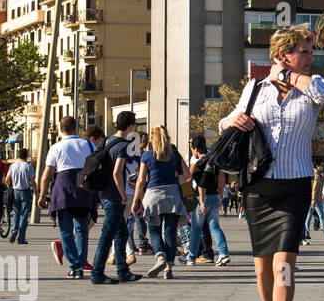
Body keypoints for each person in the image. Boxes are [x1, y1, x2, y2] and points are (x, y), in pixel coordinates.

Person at [220, 26, 324, 301]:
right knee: (262, 270)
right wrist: (233, 119)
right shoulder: (255, 89)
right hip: (258, 187)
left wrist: (287, 74)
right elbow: (226, 123)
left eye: (311, 51)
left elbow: (321, 96)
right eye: (304, 51)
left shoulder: (314, 85)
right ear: (283, 53)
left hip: (295, 185)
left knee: (284, 265)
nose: (311, 56)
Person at [38, 117, 97, 279]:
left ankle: (75, 266)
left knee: (65, 230)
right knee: (82, 229)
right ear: (76, 127)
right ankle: (81, 261)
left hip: (63, 190)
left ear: (60, 128)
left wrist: (42, 196)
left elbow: (46, 176)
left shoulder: (56, 147)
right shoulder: (88, 144)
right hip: (83, 189)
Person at [131, 126, 190, 280]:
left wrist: (136, 199)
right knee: (170, 232)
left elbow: (141, 180)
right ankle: (169, 268)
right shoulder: (175, 155)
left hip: (153, 195)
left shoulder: (147, 156)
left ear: (152, 139)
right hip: (173, 196)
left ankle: (160, 258)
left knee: (155, 230)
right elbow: (188, 175)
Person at [90, 113, 142, 284]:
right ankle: (97, 273)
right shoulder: (123, 146)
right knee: (108, 235)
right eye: (134, 125)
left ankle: (123, 271)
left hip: (104, 192)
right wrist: (122, 195)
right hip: (114, 196)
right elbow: (116, 172)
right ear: (129, 127)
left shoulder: (107, 141)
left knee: (121, 232)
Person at [187, 135, 231, 267]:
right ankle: (223, 254)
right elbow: (222, 176)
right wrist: (220, 192)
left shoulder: (198, 163)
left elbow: (200, 183)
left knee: (196, 229)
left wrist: (200, 201)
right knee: (215, 227)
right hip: (215, 197)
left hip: (202, 198)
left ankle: (191, 256)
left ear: (195, 148)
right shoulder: (214, 159)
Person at [6, 149, 36, 245]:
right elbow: (32, 181)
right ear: (26, 156)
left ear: (18, 155)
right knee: (24, 215)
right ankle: (21, 238)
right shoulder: (28, 166)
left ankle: (14, 231)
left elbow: (7, 179)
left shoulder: (13, 166)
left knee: (16, 213)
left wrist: (10, 187)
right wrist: (36, 192)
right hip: (25, 191)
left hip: (15, 191)